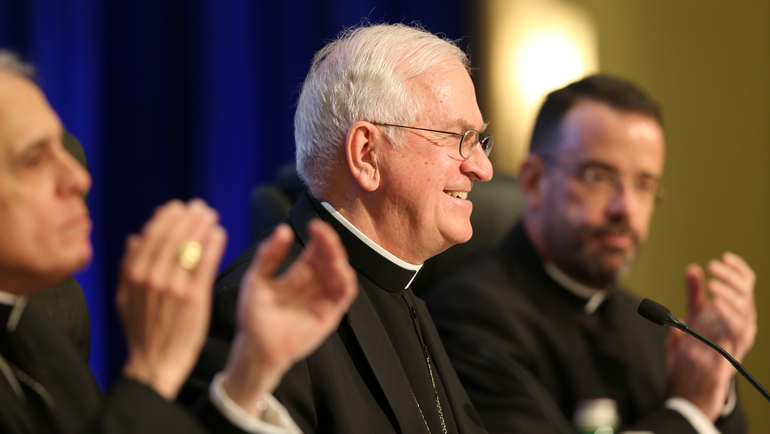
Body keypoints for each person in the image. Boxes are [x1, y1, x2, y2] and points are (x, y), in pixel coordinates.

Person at [0, 50, 358, 434]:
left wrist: (249, 373)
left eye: (62, 146)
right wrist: (152, 371)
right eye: (33, 160)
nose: (79, 178)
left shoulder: (35, 335)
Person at [186, 23, 494, 434]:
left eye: (479, 141)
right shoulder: (253, 312)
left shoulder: (406, 293)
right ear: (367, 154)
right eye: (460, 137)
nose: (482, 168)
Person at [425, 74, 756, 434]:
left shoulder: (654, 331)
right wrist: (689, 412)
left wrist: (712, 379)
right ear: (534, 182)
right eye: (598, 176)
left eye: (644, 185)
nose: (625, 209)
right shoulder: (470, 321)